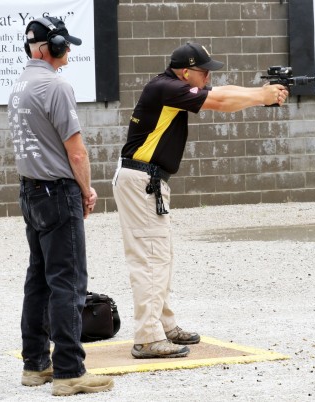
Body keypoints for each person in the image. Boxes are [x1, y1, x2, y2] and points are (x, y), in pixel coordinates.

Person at [113, 42, 289, 359]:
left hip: (146, 181)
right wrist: (261, 96)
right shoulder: (168, 87)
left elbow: (221, 95)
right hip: (141, 181)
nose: (208, 77)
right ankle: (147, 337)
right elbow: (220, 101)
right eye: (203, 71)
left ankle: (162, 325)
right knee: (151, 259)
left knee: (160, 255)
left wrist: (260, 97)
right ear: (185, 72)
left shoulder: (170, 89)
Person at [7, 17, 114, 396]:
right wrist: (86, 190)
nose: (68, 50)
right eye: (64, 44)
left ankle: (35, 364)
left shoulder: (20, 84)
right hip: (57, 192)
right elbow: (76, 150)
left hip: (31, 192)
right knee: (68, 282)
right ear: (49, 47)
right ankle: (70, 371)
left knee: (39, 279)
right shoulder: (56, 85)